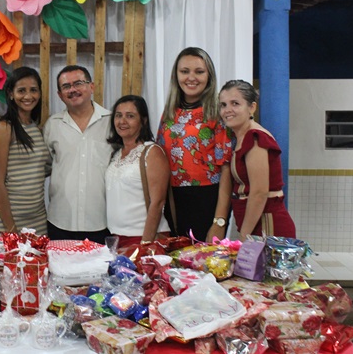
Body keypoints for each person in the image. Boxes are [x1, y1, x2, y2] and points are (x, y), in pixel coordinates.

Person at [157, 47, 233, 242]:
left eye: (199, 72)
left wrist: (219, 221)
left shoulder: (218, 112)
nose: (191, 77)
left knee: (205, 266)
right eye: (185, 71)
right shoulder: (169, 112)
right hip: (173, 198)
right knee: (176, 266)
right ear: (176, 75)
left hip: (207, 198)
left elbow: (226, 169)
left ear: (209, 76)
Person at [218, 80, 296, 240]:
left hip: (269, 226)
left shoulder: (255, 138)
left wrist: (242, 238)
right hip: (254, 224)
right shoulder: (238, 138)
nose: (227, 110)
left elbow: (259, 193)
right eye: (223, 105)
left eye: (235, 103)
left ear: (252, 107)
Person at [43, 65, 112, 244]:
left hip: (101, 220)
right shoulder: (53, 124)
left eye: (78, 83)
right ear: (59, 94)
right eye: (66, 87)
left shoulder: (111, 122)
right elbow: (46, 165)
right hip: (60, 220)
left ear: (92, 86)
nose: (72, 90)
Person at [0, 67, 51, 237]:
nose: (28, 96)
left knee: (38, 264)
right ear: (10, 94)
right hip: (9, 220)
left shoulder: (36, 128)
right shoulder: (4, 128)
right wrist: (11, 229)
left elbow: (40, 170)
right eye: (21, 91)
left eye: (33, 90)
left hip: (38, 219)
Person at [105, 95, 171, 248]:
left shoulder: (151, 152)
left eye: (130, 116)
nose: (122, 121)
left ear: (144, 120)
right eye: (118, 115)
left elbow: (158, 202)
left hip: (143, 237)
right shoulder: (115, 154)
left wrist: (145, 244)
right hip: (115, 237)